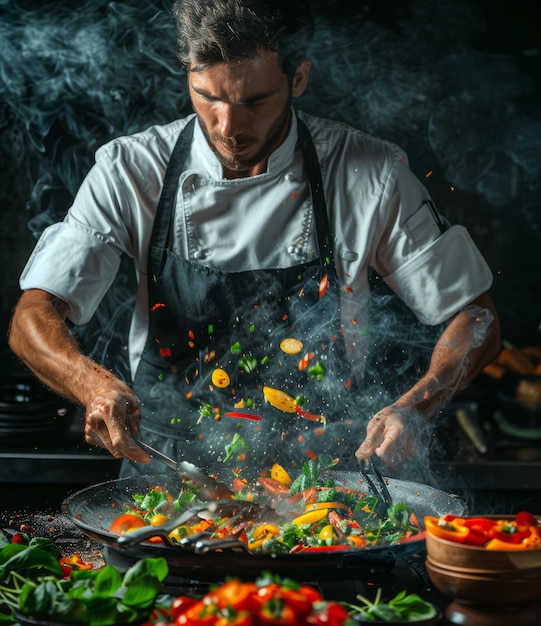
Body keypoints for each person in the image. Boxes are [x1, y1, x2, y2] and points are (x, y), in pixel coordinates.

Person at [8, 0, 500, 483]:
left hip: (325, 475)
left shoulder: (371, 173)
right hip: (165, 471)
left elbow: (475, 316)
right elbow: (33, 314)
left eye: (253, 101)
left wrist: (414, 407)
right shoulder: (130, 169)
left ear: (298, 78)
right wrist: (90, 384)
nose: (228, 127)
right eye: (207, 96)